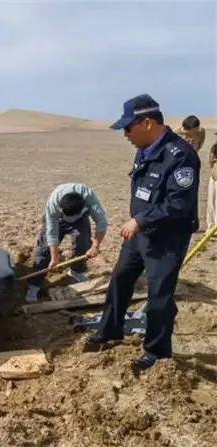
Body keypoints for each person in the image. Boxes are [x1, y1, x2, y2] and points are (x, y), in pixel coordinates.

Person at [85, 94, 200, 372]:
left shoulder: (181, 155)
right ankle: (110, 329)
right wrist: (138, 222)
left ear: (147, 123)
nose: (125, 134)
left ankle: (156, 351)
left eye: (128, 127)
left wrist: (140, 220)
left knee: (159, 295)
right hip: (140, 232)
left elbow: (179, 204)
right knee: (121, 279)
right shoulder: (145, 149)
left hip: (166, 237)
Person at [25, 184, 108, 302]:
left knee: (83, 245)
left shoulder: (89, 198)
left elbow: (102, 223)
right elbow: (51, 232)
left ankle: (76, 271)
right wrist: (54, 258)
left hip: (80, 219)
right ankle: (34, 286)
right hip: (56, 220)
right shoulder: (53, 203)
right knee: (43, 250)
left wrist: (95, 246)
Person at [208, 136, 217, 229]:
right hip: (213, 176)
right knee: (211, 203)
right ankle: (210, 226)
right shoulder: (214, 147)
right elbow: (210, 161)